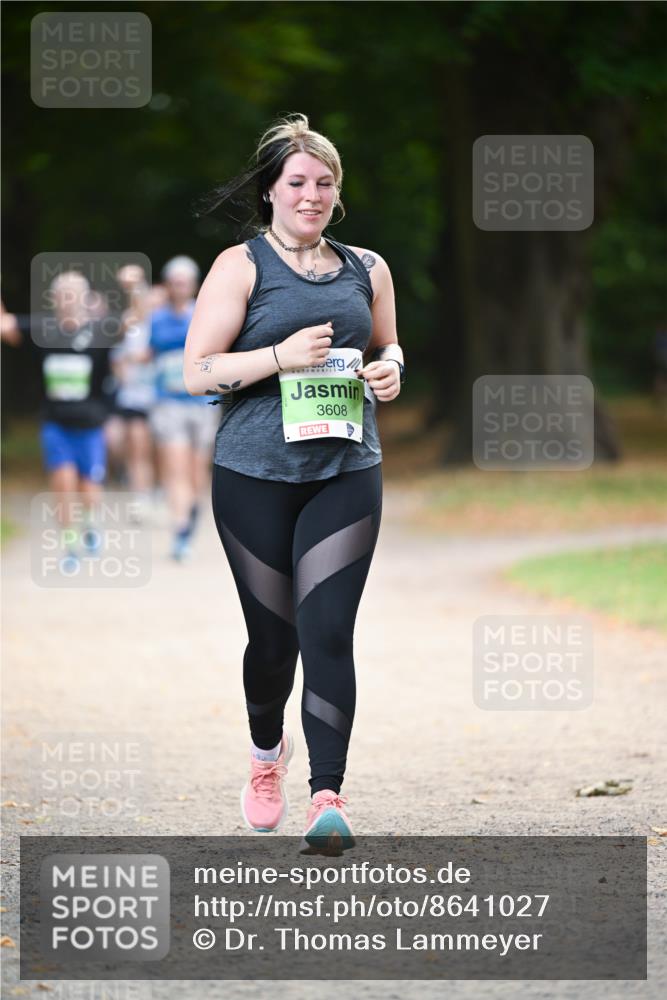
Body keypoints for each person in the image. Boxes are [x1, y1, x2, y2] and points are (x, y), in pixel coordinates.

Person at [184, 113, 405, 855]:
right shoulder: (239, 266)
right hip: (253, 475)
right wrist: (278, 354)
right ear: (272, 191)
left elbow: (387, 341)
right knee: (273, 643)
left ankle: (327, 796)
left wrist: (391, 369)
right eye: (297, 183)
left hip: (345, 469)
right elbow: (195, 372)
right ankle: (264, 753)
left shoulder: (366, 268)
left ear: (336, 194)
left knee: (328, 632)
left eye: (324, 183)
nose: (311, 195)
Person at [1, 273, 118, 568]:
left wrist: (135, 289)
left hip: (91, 425)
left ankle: (91, 524)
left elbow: (136, 324)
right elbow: (6, 327)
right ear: (53, 299)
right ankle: (70, 547)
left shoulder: (99, 331)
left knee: (89, 489)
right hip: (55, 424)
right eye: (62, 293)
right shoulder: (43, 329)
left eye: (73, 293)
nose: (68, 299)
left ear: (84, 298)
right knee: (63, 484)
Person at [149, 256, 219, 560]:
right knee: (175, 467)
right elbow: (144, 350)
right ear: (167, 285)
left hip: (202, 403)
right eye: (174, 282)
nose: (179, 287)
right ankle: (179, 528)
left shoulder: (205, 315)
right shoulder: (155, 318)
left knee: (196, 469)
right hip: (168, 403)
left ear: (194, 286)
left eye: (184, 282)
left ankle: (191, 515)